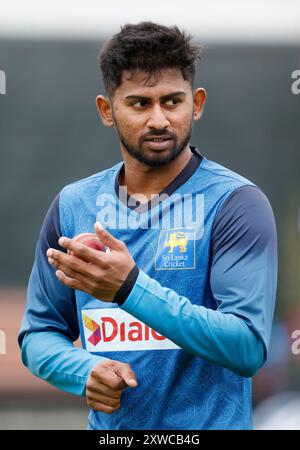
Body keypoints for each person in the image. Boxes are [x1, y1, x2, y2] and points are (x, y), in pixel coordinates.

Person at [18, 21, 277, 430]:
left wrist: (129, 287)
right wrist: (81, 369)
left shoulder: (236, 204)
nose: (158, 119)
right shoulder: (74, 205)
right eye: (140, 103)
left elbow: (247, 347)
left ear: (197, 103)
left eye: (172, 101)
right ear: (107, 110)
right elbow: (38, 335)